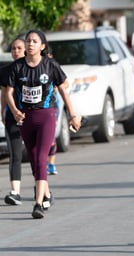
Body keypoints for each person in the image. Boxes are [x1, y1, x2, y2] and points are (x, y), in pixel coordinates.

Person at [5, 30, 81, 219]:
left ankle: (38, 203)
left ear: (42, 46)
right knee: (32, 159)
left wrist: (72, 115)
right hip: (25, 118)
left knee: (40, 158)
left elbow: (63, 91)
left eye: (34, 41)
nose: (30, 44)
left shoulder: (50, 66)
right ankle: (46, 194)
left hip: (46, 116)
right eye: (28, 41)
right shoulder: (17, 67)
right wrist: (14, 111)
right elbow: (8, 92)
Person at [1, 37, 26, 205]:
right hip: (12, 117)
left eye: (19, 48)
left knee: (36, 154)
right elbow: (4, 93)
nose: (16, 51)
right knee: (15, 154)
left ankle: (43, 191)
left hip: (33, 116)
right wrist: (2, 111)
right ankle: (15, 192)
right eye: (13, 48)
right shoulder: (5, 71)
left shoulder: (34, 68)